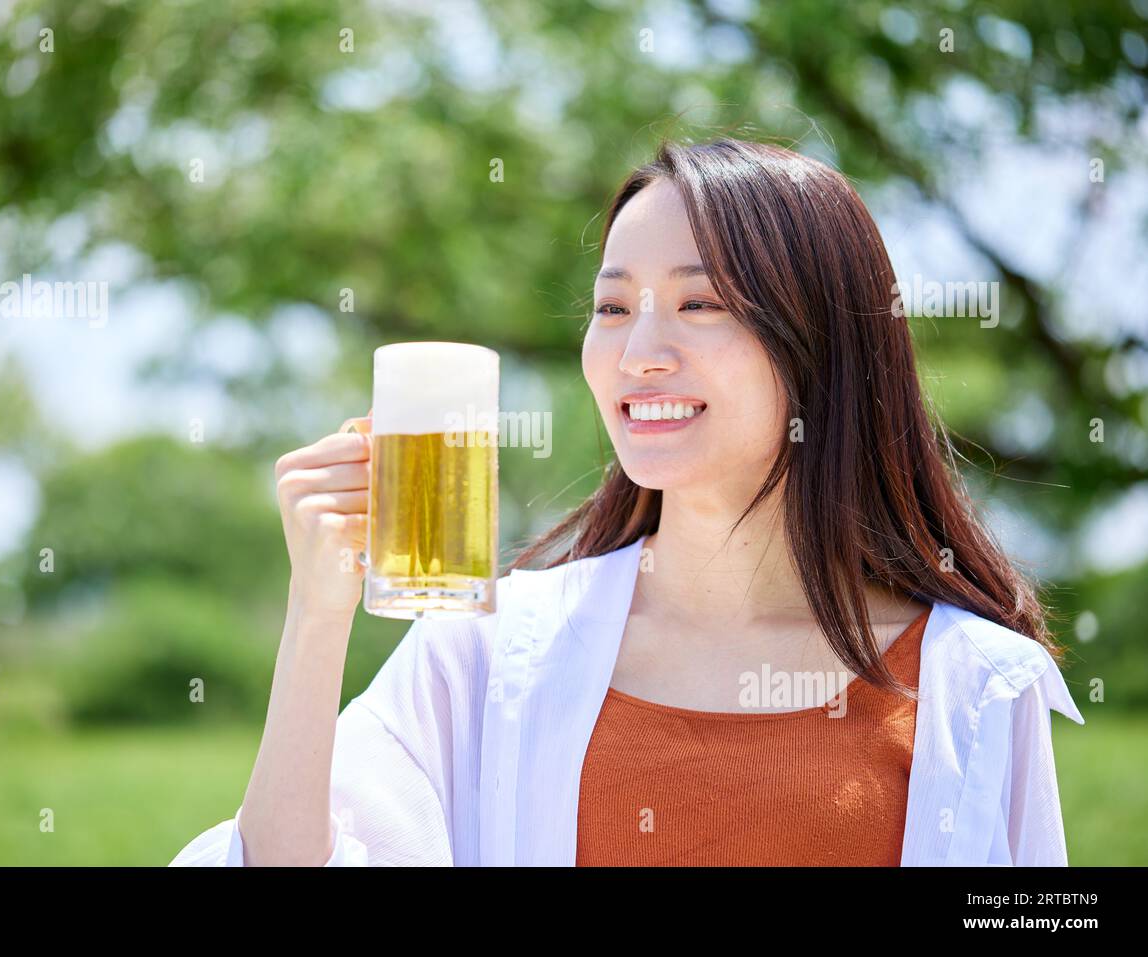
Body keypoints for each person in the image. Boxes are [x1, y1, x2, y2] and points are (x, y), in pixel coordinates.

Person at [170, 137, 1084, 867]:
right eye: (612, 309)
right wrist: (316, 616)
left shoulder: (975, 684)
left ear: (821, 344)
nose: (638, 352)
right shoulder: (489, 652)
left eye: (702, 304)